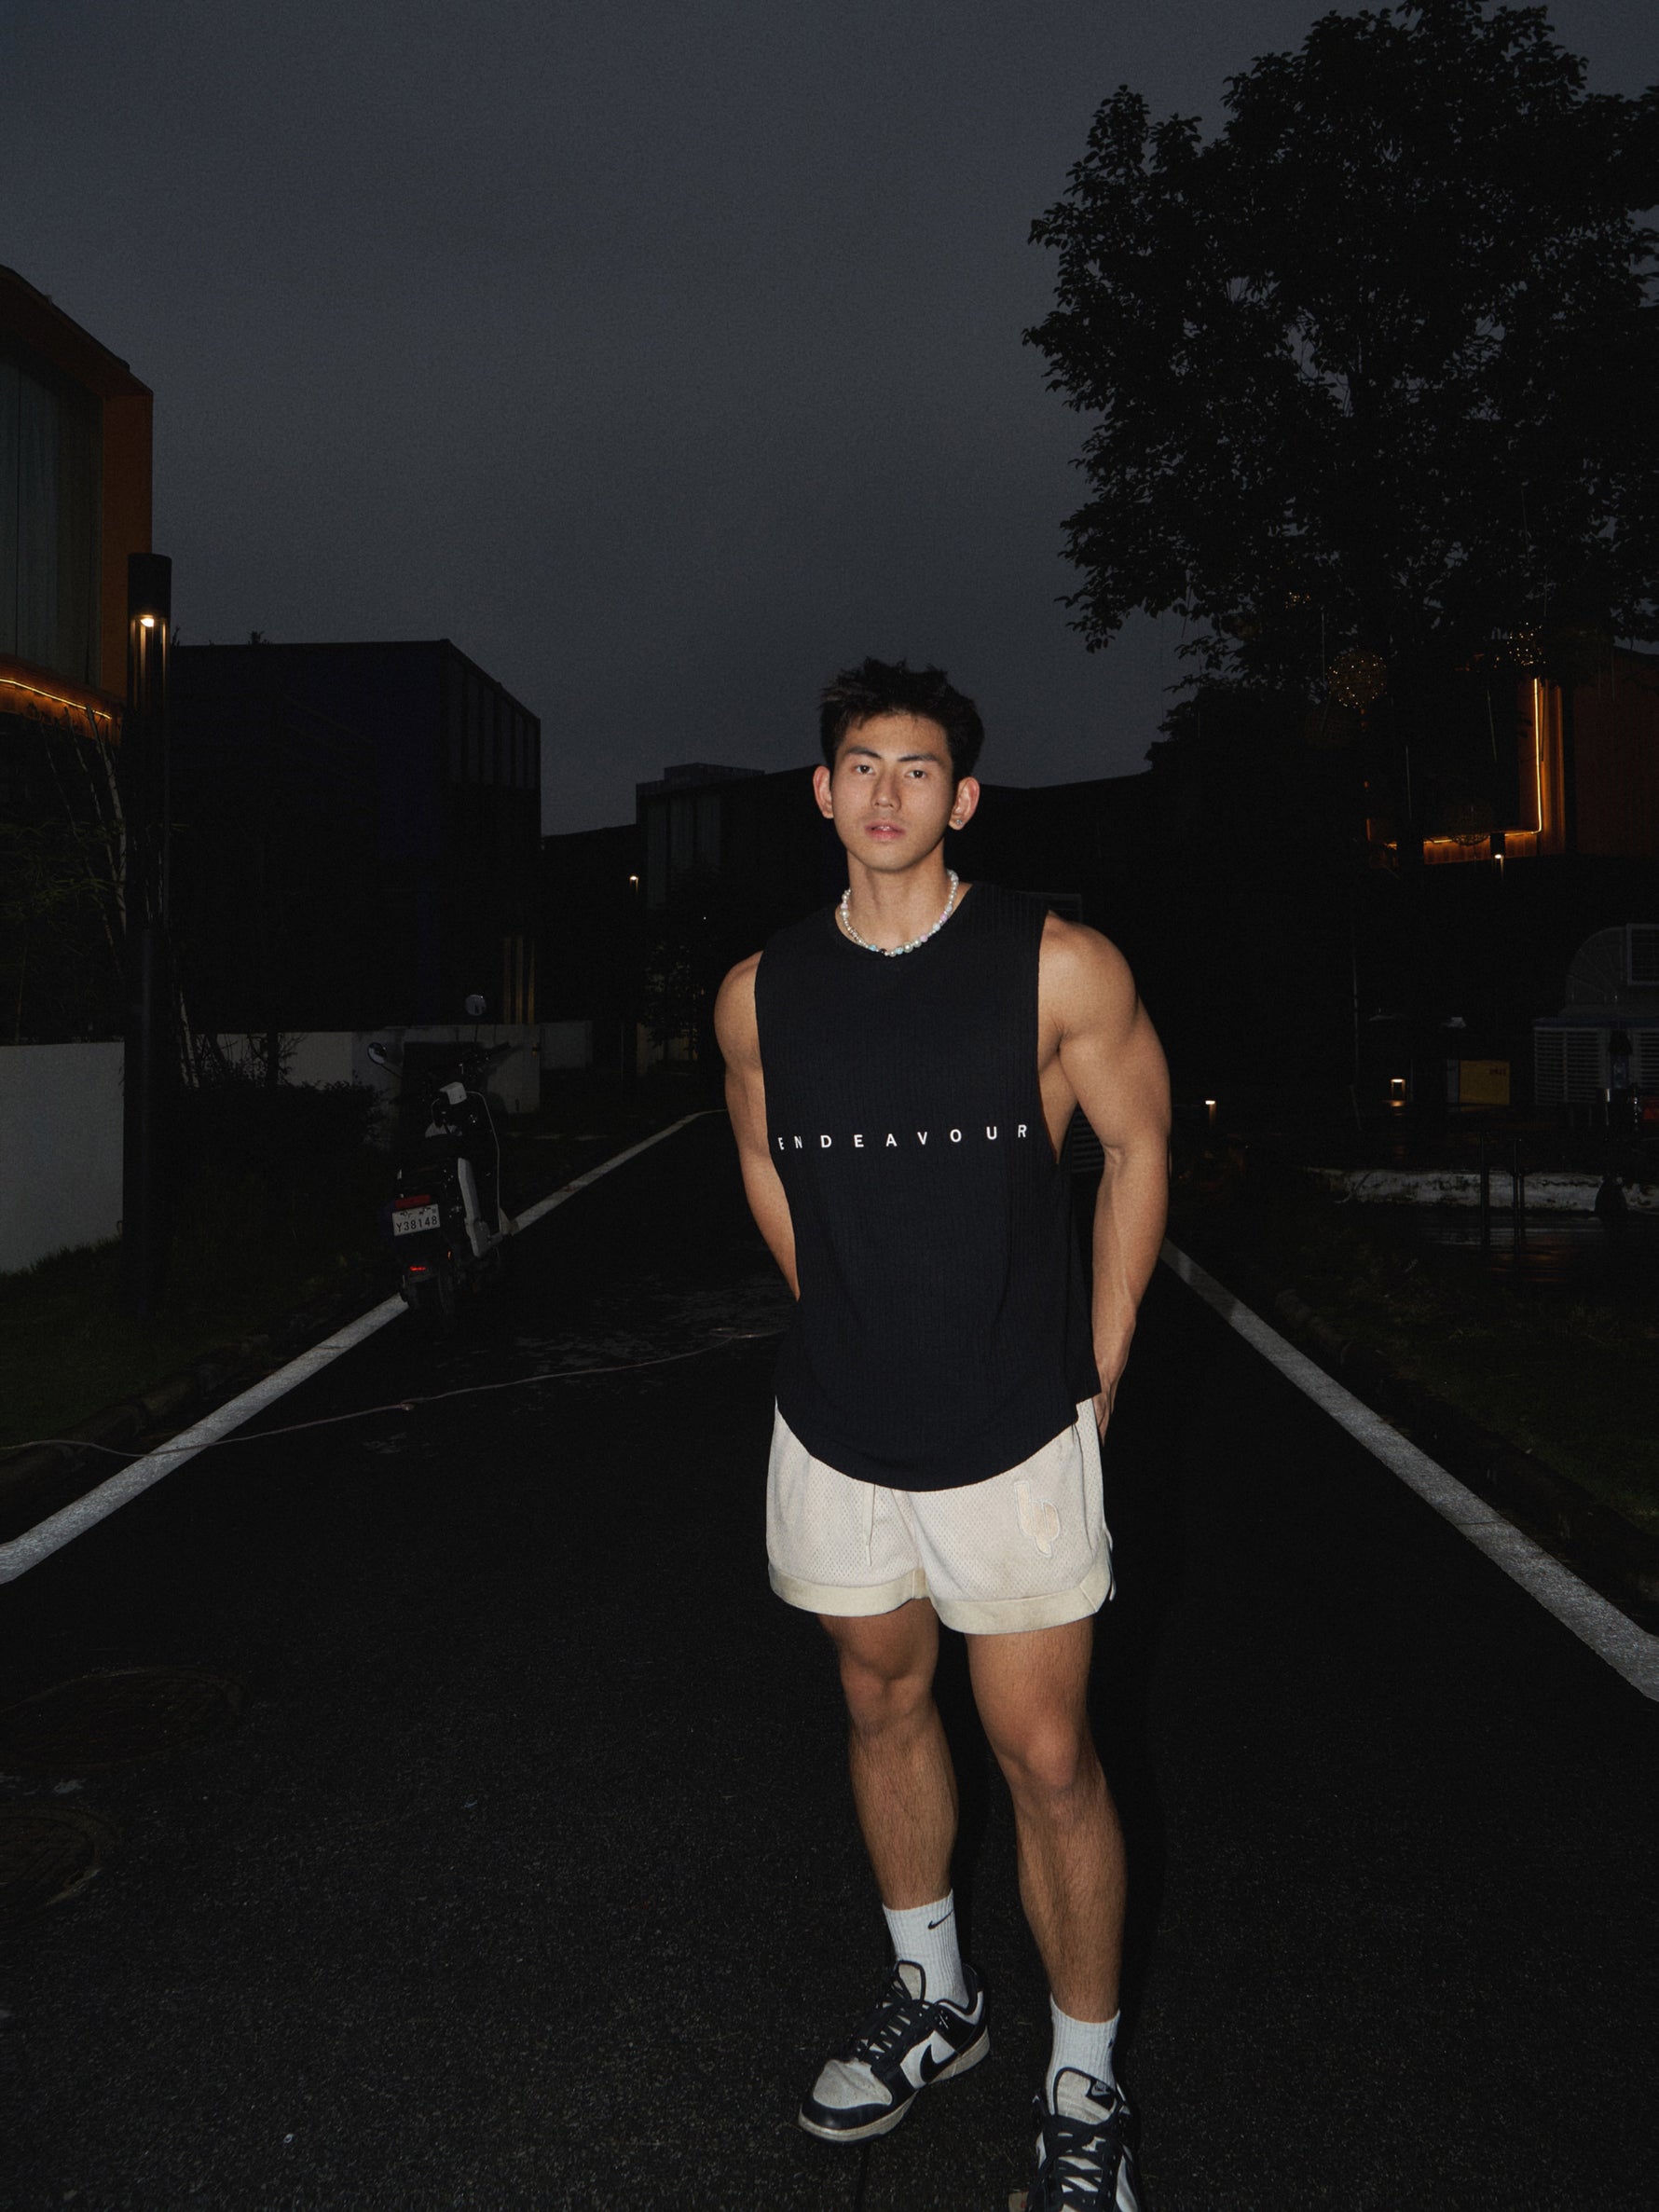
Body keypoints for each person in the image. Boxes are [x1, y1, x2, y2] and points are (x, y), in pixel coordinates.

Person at [715, 657, 1170, 2211]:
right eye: (864, 763)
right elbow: (765, 1161)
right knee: (877, 1696)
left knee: (1046, 1753)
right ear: (824, 791)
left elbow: (1137, 1144)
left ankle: (1084, 2084)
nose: (889, 791)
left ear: (961, 798)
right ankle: (937, 1998)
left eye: (920, 768)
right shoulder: (760, 989)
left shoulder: (1057, 964)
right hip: (836, 1426)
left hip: (1012, 1427)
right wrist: (837, 1302)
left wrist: (1097, 1370)